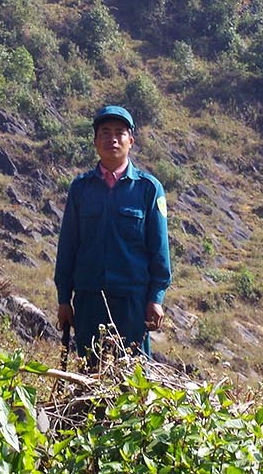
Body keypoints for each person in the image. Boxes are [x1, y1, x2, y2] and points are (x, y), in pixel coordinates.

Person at [54, 105, 170, 357]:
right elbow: (68, 247)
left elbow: (159, 250)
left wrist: (156, 298)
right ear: (95, 141)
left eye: (120, 132)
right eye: (105, 132)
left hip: (132, 302)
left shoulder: (149, 189)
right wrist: (64, 298)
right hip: (89, 300)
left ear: (131, 140)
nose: (112, 138)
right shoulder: (81, 188)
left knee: (132, 381)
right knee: (88, 379)